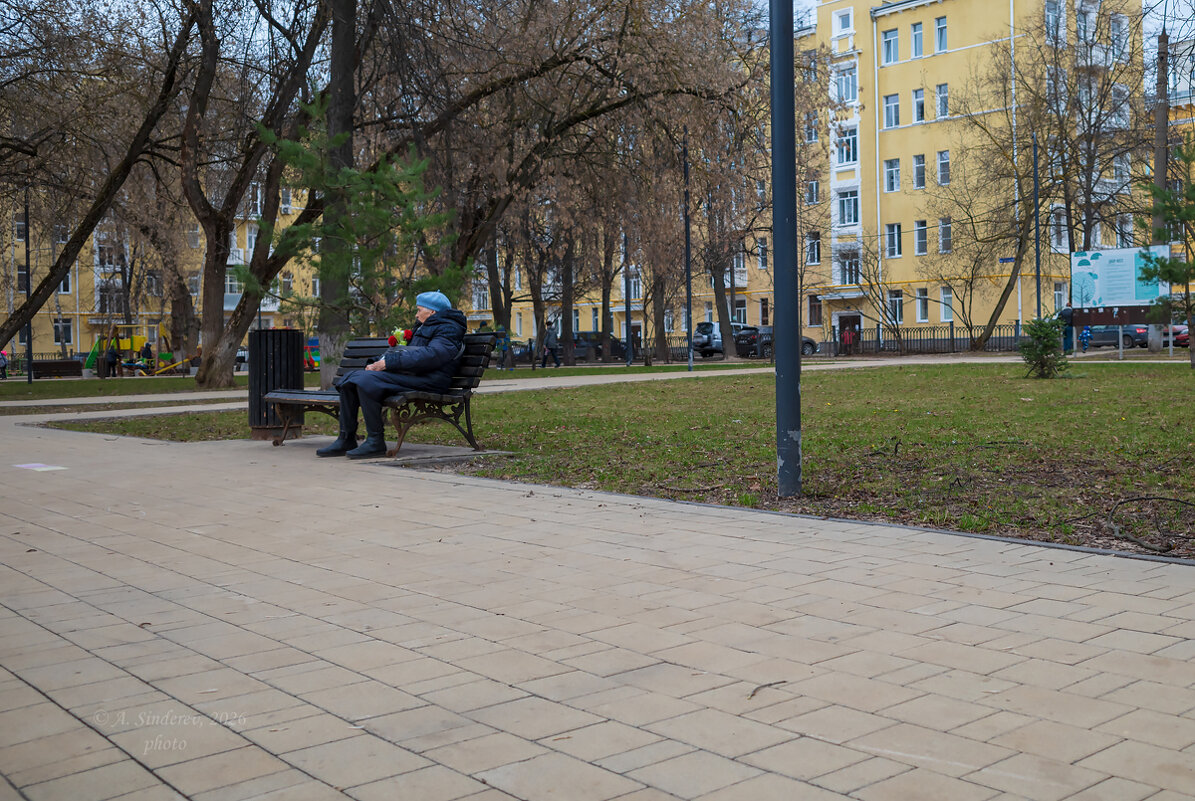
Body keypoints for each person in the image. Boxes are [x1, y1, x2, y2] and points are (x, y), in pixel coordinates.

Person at [317, 290, 467, 459]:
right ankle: (346, 438)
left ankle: (375, 441)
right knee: (351, 379)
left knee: (366, 381)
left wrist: (389, 363)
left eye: (419, 310)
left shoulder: (449, 329)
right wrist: (376, 363)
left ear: (432, 311)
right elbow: (408, 352)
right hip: (416, 376)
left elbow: (432, 355)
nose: (416, 315)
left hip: (431, 380)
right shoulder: (426, 326)